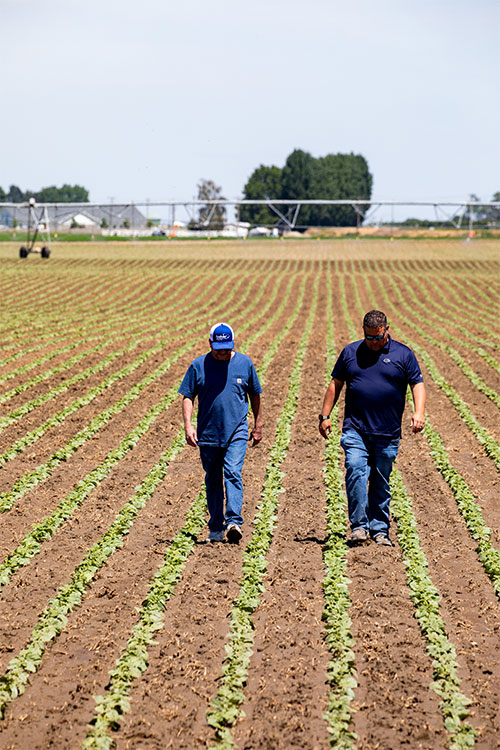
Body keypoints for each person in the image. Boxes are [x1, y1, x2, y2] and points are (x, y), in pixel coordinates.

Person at [319, 310, 426, 546]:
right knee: (356, 469)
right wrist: (325, 415)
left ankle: (380, 529)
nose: (374, 342)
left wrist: (419, 412)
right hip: (356, 429)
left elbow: (416, 383)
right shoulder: (351, 352)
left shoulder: (403, 354)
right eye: (370, 337)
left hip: (387, 433)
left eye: (378, 337)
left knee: (380, 479)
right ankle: (359, 526)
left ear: (387, 329)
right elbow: (336, 383)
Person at [179, 323, 263, 543]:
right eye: (219, 349)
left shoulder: (244, 363)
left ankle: (234, 521)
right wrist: (188, 426)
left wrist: (258, 424)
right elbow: (188, 396)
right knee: (213, 480)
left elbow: (255, 394)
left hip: (236, 429)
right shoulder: (198, 366)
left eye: (227, 348)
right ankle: (216, 526)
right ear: (210, 344)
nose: (224, 353)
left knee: (233, 472)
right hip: (208, 434)